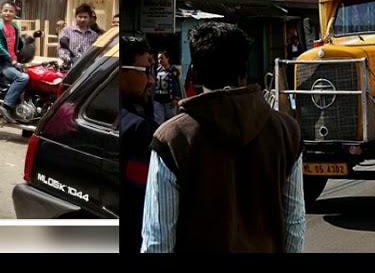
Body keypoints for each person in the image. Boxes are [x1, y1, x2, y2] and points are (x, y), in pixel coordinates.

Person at [141, 22, 305, 253]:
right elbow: (294, 222)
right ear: (244, 70)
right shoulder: (286, 131)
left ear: (195, 73)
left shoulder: (173, 137)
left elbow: (158, 239)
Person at [120, 35, 159, 254]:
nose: (151, 80)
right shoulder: (138, 129)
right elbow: (142, 198)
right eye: (145, 71)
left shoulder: (138, 117)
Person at [0, 1, 29, 119]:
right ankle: (6, 107)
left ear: (15, 13)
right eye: (5, 10)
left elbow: (19, 44)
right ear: (1, 12)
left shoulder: (14, 27)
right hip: (0, 63)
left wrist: (30, 40)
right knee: (22, 78)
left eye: (11, 11)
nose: (8, 13)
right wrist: (12, 61)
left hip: (12, 62)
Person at [152, 51, 182, 124]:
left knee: (171, 121)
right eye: (158, 59)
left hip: (169, 100)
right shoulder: (157, 70)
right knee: (158, 121)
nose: (159, 60)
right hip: (158, 99)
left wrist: (175, 98)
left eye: (161, 58)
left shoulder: (173, 70)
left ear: (167, 58)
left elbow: (176, 85)